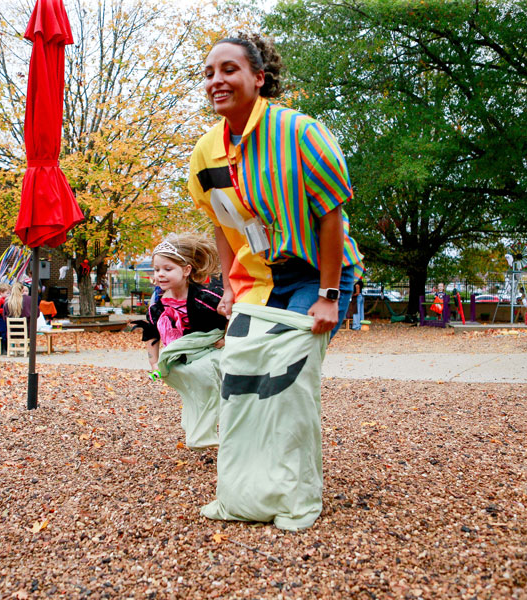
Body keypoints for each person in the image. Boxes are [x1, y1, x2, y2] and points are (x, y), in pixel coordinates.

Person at [188, 33, 364, 530]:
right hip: (259, 277)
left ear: (259, 77)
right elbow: (223, 225)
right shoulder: (206, 155)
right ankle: (240, 494)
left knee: (287, 384)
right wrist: (226, 286)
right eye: (209, 73)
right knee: (240, 384)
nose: (217, 80)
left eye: (229, 69)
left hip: (318, 272)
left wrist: (330, 295)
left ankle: (295, 497)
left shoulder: (301, 133)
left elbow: (332, 217)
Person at [139, 233, 226, 369]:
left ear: (186, 270)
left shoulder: (205, 298)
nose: (160, 274)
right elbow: (151, 332)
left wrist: (226, 338)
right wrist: (154, 363)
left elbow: (231, 315)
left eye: (168, 269)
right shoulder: (157, 303)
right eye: (156, 269)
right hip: (180, 364)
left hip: (211, 361)